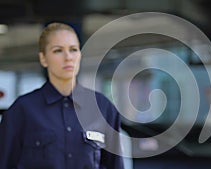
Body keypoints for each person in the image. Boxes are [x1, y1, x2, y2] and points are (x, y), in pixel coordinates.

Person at [0, 22, 124, 169]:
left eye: (73, 50)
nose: (68, 57)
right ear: (43, 58)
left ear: (80, 54)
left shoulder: (103, 108)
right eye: (58, 50)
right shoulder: (22, 111)